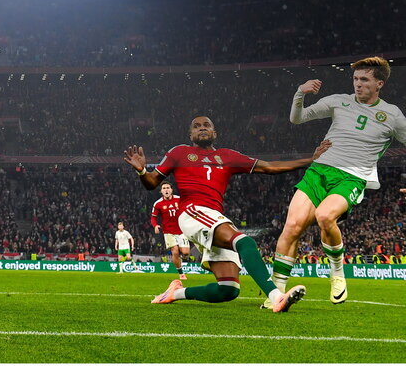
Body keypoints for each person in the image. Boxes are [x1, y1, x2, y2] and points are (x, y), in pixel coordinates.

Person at [123, 115, 331, 312]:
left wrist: (310, 159)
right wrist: (142, 171)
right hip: (192, 212)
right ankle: (277, 297)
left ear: (215, 133)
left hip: (213, 216)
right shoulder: (179, 153)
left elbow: (270, 167)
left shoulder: (227, 156)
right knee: (246, 243)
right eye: (197, 126)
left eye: (206, 125)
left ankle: (175, 293)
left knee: (228, 289)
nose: (202, 128)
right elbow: (152, 183)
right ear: (190, 135)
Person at [270, 57, 406, 306]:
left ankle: (337, 274)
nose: (358, 84)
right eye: (355, 79)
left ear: (379, 84)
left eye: (364, 79)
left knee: (324, 216)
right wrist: (300, 93)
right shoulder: (338, 101)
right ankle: (276, 293)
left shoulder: (392, 115)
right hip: (319, 171)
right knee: (292, 227)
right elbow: (297, 118)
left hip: (352, 176)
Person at [151, 182, 191, 279]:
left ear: (171, 190)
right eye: (164, 188)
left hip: (181, 230)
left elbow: (188, 208)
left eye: (168, 188)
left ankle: (180, 258)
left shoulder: (179, 199)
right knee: (175, 252)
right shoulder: (158, 203)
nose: (166, 190)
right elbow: (153, 218)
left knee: (185, 252)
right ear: (161, 191)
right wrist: (155, 225)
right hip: (168, 232)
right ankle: (181, 273)